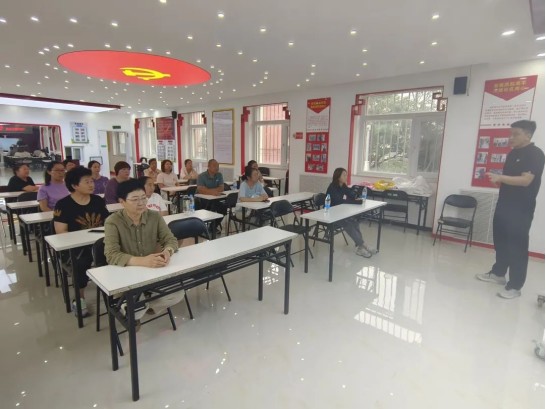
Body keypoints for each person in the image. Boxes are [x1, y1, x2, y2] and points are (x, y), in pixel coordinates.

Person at [476, 120, 545, 299]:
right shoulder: (512, 153)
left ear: (528, 135)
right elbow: (510, 179)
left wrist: (500, 178)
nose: (510, 138)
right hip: (504, 204)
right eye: (510, 134)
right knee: (501, 241)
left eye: (515, 134)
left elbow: (526, 180)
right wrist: (500, 181)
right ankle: (498, 273)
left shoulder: (535, 154)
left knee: (517, 247)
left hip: (521, 209)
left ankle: (515, 286)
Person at [104, 179, 183, 316]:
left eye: (143, 198)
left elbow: (170, 240)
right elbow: (111, 254)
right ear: (122, 202)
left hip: (152, 272)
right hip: (126, 274)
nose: (141, 203)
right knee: (135, 312)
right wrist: (143, 261)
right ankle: (139, 307)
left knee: (177, 294)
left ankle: (146, 305)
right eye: (135, 199)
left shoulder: (154, 216)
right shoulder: (113, 222)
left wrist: (167, 251)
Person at [54, 166, 110, 317]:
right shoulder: (63, 205)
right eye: (87, 182)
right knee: (81, 263)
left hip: (99, 243)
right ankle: (79, 298)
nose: (92, 184)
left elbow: (108, 223)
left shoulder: (98, 200)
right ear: (74, 185)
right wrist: (82, 240)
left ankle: (117, 295)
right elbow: (61, 232)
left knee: (119, 255)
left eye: (92, 181)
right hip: (75, 248)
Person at [326, 167, 377, 258]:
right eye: (344, 175)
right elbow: (339, 201)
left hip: (339, 213)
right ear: (338, 177)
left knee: (355, 222)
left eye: (346, 175)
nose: (346, 177)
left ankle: (360, 246)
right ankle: (363, 245)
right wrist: (355, 201)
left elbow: (351, 195)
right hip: (331, 215)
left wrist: (355, 194)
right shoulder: (332, 187)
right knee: (348, 224)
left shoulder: (343, 186)